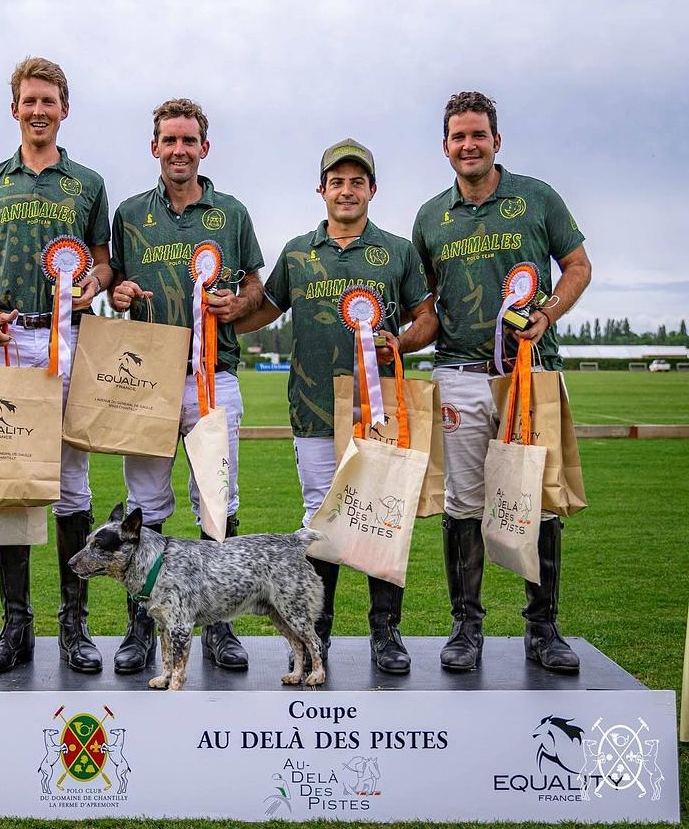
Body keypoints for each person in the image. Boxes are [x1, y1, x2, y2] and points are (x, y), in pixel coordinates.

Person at [236, 139, 438, 674]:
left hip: (380, 410)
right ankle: (315, 636)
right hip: (312, 408)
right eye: (336, 181)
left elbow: (428, 315)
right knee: (321, 523)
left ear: (372, 189)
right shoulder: (298, 251)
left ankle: (385, 634)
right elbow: (264, 310)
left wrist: (406, 340)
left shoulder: (396, 251)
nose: (346, 191)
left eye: (357, 181)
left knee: (381, 519)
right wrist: (212, 322)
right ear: (321, 189)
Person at [411, 92, 592, 673]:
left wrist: (549, 313)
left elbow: (579, 265)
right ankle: (467, 628)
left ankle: (544, 628)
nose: (469, 145)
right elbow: (428, 305)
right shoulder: (430, 216)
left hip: (529, 372)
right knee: (463, 503)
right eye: (458, 137)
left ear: (496, 141)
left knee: (538, 500)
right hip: (459, 373)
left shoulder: (537, 198)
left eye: (479, 135)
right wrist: (395, 340)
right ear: (445, 147)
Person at [0, 57, 113, 676]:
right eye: (29, 101)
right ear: (14, 108)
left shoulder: (87, 183)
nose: (39, 110)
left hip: (68, 341)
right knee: (13, 485)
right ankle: (15, 624)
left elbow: (102, 265)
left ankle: (75, 622)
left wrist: (90, 285)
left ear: (64, 109)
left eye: (50, 101)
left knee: (72, 484)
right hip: (8, 338)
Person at [109, 98, 265, 674]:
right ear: (155, 148)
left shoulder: (231, 213)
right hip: (144, 377)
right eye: (169, 141)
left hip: (213, 378)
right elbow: (112, 281)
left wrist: (237, 301)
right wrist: (117, 293)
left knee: (217, 503)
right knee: (144, 506)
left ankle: (219, 625)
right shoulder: (128, 214)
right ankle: (141, 627)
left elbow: (255, 288)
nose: (179, 150)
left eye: (188, 141)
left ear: (205, 147)